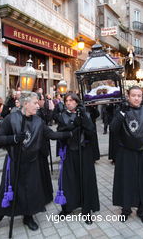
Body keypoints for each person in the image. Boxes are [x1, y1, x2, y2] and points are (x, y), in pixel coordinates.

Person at [0, 92, 72, 232]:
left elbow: (51, 134)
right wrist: (14, 138)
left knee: (30, 191)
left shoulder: (38, 121)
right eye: (34, 103)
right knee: (8, 191)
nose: (37, 106)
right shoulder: (11, 118)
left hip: (31, 162)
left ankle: (28, 217)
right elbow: (0, 139)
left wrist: (70, 133)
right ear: (25, 104)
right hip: (15, 162)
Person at [111, 86, 143, 225]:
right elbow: (113, 128)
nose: (136, 98)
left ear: (142, 97)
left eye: (139, 95)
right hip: (125, 153)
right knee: (126, 181)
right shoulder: (122, 110)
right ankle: (126, 209)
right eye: (133, 95)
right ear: (128, 96)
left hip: (142, 153)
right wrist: (121, 113)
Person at [55, 93, 100, 224]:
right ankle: (68, 207)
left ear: (76, 102)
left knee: (85, 180)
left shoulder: (84, 113)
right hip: (69, 151)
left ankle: (86, 210)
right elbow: (59, 133)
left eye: (71, 100)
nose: (68, 103)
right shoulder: (61, 115)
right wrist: (72, 126)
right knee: (69, 180)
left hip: (84, 152)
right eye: (66, 101)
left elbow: (91, 131)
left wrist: (83, 120)